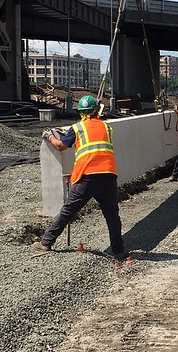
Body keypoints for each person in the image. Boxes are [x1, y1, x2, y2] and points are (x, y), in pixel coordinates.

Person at [32, 94, 127, 259]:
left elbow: (61, 146)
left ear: (81, 112)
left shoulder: (77, 128)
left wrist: (49, 136)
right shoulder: (106, 127)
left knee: (68, 210)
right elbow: (95, 136)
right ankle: (119, 251)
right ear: (97, 111)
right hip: (108, 175)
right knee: (112, 215)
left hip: (87, 176)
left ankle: (46, 242)